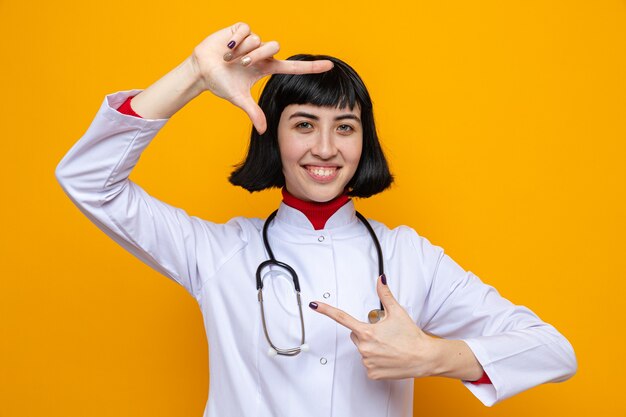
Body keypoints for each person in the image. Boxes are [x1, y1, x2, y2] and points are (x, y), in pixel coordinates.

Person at [55, 22, 577, 417]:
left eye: (344, 127)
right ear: (272, 135)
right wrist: (194, 75)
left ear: (362, 141)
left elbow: (554, 351)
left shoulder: (408, 256)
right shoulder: (215, 252)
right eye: (304, 124)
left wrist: (435, 356)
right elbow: (87, 178)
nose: (325, 148)